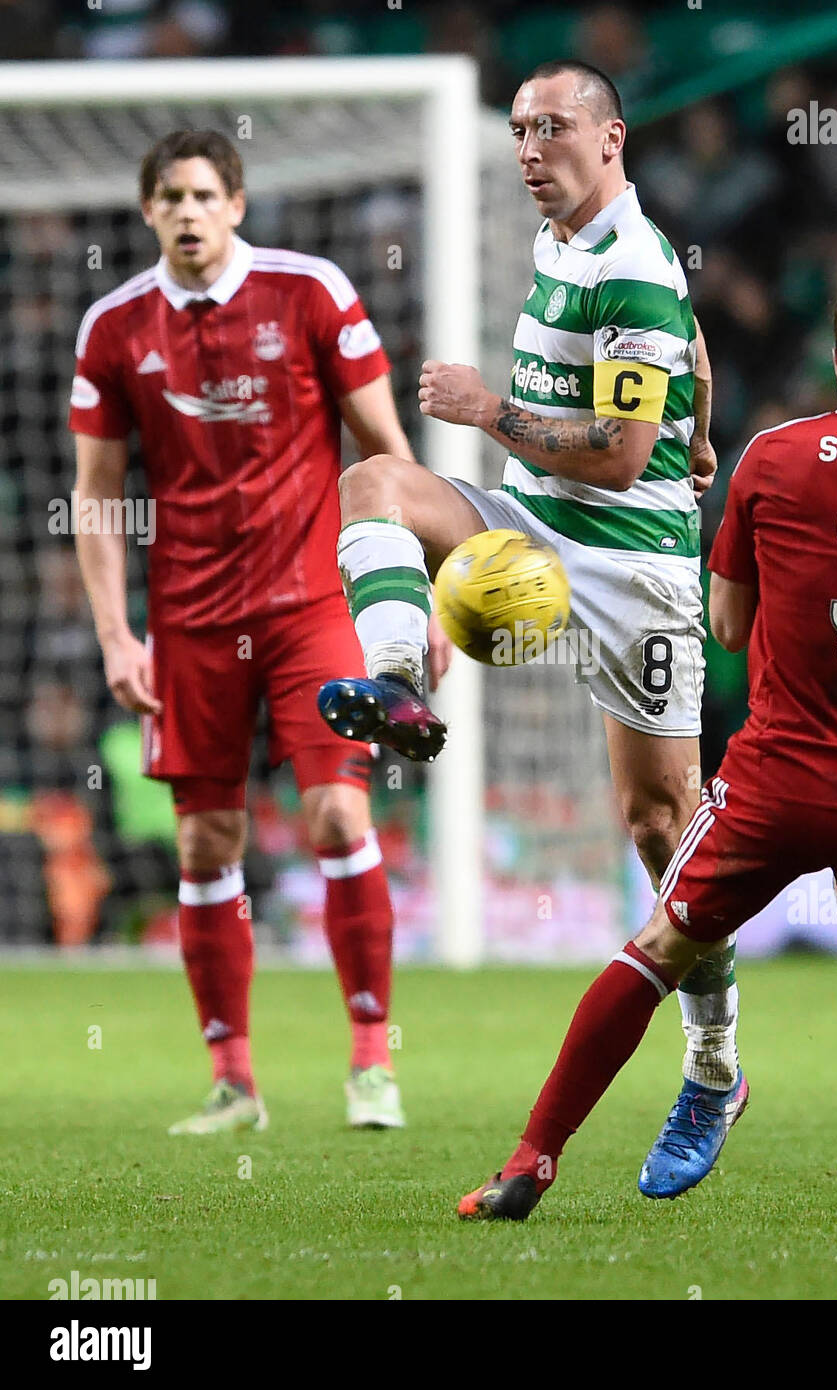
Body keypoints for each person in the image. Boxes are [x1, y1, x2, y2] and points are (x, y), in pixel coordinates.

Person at [457, 266, 837, 1222]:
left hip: (783, 775)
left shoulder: (775, 456)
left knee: (658, 948)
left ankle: (530, 1162)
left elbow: (732, 628)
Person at [319, 60, 748, 1190]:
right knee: (376, 486)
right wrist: (703, 431)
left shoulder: (636, 265)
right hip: (539, 527)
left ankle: (716, 1063)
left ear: (611, 139)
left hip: (635, 567)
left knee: (661, 826)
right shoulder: (563, 241)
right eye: (515, 129)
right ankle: (401, 679)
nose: (525, 149)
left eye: (549, 127)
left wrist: (487, 411)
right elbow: (695, 353)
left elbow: (612, 455)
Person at [69, 129, 450, 1135]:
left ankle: (373, 1060)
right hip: (188, 620)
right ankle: (235, 1082)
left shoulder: (311, 291)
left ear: (235, 203)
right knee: (205, 843)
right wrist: (116, 634)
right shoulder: (114, 329)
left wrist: (414, 595)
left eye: (204, 194)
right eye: (170, 199)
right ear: (148, 213)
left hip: (311, 603)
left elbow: (385, 452)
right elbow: (98, 497)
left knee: (337, 818)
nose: (188, 213)